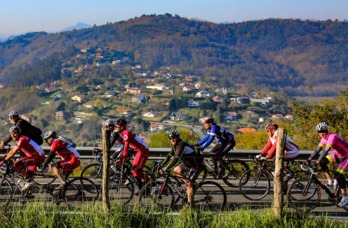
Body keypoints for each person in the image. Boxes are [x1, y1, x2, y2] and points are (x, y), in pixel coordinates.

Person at [306, 122, 348, 207]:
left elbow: (326, 150)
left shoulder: (332, 137)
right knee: (323, 162)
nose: (322, 134)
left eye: (323, 131)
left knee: (338, 175)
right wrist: (309, 158)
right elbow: (317, 150)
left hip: (346, 157)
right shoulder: (323, 139)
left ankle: (345, 197)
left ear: (327, 130)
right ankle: (330, 180)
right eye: (319, 132)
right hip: (337, 155)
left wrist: (317, 161)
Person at [160, 130, 205, 209]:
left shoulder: (181, 145)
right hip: (188, 164)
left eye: (174, 138)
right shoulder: (175, 146)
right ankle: (189, 185)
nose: (172, 140)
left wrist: (166, 168)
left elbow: (176, 159)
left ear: (178, 138)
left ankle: (189, 205)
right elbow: (169, 156)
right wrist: (161, 165)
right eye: (170, 138)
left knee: (188, 184)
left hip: (196, 165)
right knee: (176, 170)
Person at [0, 126, 45, 191]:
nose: (13, 135)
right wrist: (4, 157)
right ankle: (29, 195)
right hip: (34, 156)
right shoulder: (20, 139)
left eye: (15, 133)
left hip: (37, 157)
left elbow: (13, 151)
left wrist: (4, 161)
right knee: (28, 176)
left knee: (17, 163)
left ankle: (26, 180)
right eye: (11, 134)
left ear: (19, 133)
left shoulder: (22, 139)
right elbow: (12, 151)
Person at [115, 119, 150, 193]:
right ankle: (141, 187)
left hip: (142, 150)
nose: (116, 128)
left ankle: (151, 183)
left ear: (122, 127)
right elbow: (125, 148)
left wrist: (122, 159)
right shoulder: (123, 133)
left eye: (117, 126)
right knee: (133, 170)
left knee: (136, 170)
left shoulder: (126, 133)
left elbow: (126, 148)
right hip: (137, 150)